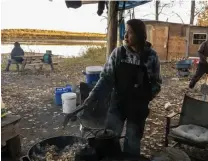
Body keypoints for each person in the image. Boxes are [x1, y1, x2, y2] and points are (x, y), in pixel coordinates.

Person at [66, 19, 162, 156]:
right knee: (110, 138)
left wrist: (145, 98)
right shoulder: (118, 54)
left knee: (133, 141)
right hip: (117, 103)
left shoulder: (151, 57)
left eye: (130, 32)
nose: (125, 36)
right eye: (125, 32)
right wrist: (92, 97)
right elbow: (105, 79)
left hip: (138, 108)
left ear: (140, 35)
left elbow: (157, 83)